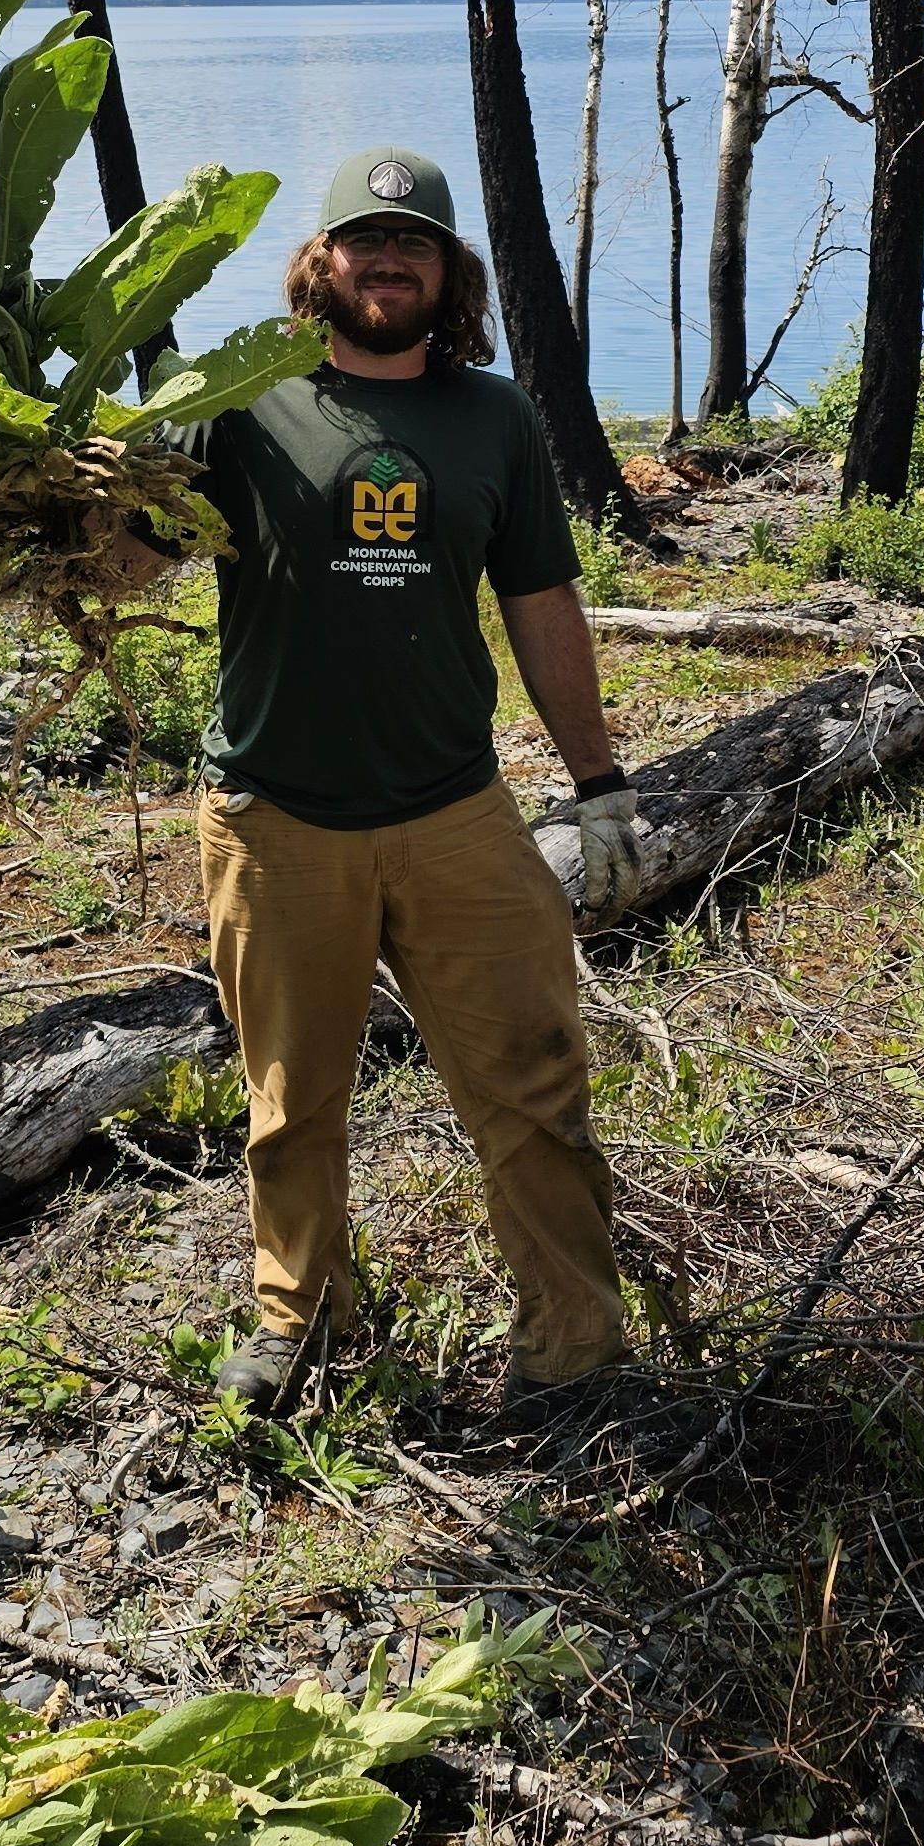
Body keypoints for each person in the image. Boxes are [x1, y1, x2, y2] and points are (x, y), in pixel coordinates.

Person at [183, 143, 646, 1412]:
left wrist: (597, 777)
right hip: (276, 816)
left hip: (454, 811)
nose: (389, 259)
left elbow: (541, 600)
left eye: (416, 242)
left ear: (450, 274)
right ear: (319, 263)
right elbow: (129, 544)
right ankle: (300, 1328)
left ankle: (576, 1347)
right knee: (290, 1102)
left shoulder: (491, 415)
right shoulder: (239, 394)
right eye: (366, 239)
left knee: (535, 1084)